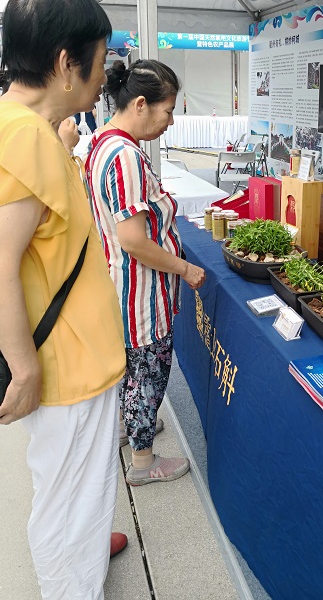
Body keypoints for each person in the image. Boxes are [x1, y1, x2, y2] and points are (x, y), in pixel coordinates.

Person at [0, 0, 128, 598]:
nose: (103, 79)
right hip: (66, 367)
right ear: (63, 63)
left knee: (76, 487)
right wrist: (22, 367)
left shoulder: (24, 128)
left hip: (74, 358)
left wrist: (61, 143)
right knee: (66, 500)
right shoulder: (24, 138)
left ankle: (86, 554)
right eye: (99, 63)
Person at [85, 59, 206, 486]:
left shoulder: (102, 142)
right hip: (140, 296)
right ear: (141, 104)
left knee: (132, 372)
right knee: (147, 374)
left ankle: (130, 429)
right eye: (168, 110)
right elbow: (134, 240)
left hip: (122, 287)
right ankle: (143, 462)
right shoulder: (126, 157)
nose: (170, 122)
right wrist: (185, 268)